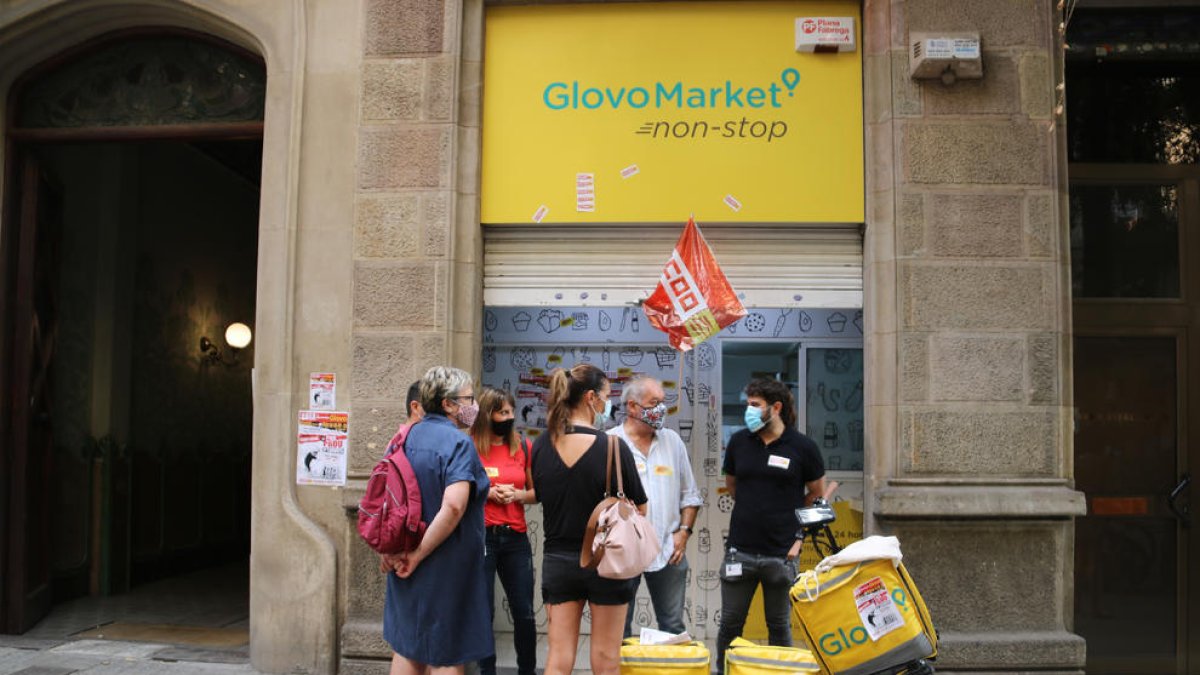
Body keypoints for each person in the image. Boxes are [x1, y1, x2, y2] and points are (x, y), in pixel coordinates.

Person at [531, 364, 649, 675]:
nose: (608, 406)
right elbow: (641, 508)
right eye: (607, 397)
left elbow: (542, 492)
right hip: (606, 562)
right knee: (607, 658)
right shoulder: (613, 446)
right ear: (590, 398)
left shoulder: (542, 444)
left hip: (558, 561)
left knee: (558, 658)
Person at [381, 366, 492, 675]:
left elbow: (383, 500)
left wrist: (391, 551)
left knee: (407, 645)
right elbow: (455, 506)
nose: (475, 406)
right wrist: (419, 554)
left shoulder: (401, 437)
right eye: (469, 398)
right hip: (447, 564)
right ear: (448, 404)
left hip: (403, 560)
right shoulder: (458, 443)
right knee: (446, 651)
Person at [716, 378, 826, 673]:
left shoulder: (803, 447)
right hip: (740, 550)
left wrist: (792, 524)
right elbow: (732, 484)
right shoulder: (739, 442)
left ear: (775, 408)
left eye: (755, 405)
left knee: (778, 625)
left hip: (782, 552)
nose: (748, 411)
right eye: (747, 404)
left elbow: (817, 491)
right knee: (730, 624)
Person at [607, 375, 701, 638]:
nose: (661, 408)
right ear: (633, 406)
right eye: (654, 402)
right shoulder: (609, 442)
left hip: (668, 550)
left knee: (672, 628)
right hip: (623, 552)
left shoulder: (673, 441)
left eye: (663, 402)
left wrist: (683, 533)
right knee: (618, 630)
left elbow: (690, 495)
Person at [470, 387, 537, 675]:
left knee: (523, 611)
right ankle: (487, 671)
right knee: (484, 613)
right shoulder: (469, 446)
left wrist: (517, 496)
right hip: (482, 536)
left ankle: (527, 670)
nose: (509, 417)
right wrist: (488, 493)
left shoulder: (522, 446)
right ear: (488, 415)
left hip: (515, 537)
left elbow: (536, 492)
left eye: (511, 412)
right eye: (503, 412)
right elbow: (459, 490)